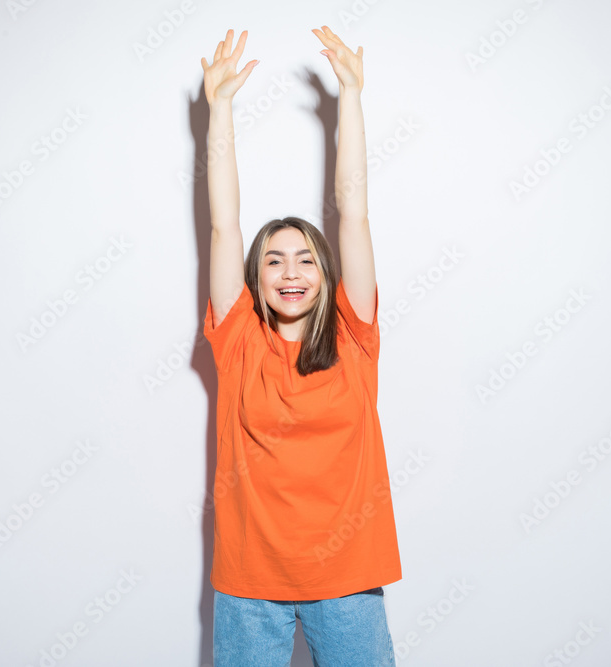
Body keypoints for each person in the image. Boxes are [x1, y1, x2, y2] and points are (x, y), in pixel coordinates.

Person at [201, 26, 402, 666]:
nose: (291, 273)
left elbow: (354, 213)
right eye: (275, 260)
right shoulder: (238, 341)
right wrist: (220, 109)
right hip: (249, 584)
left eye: (306, 259)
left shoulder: (353, 335)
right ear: (256, 277)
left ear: (326, 273)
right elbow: (224, 224)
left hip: (347, 579)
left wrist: (351, 99)